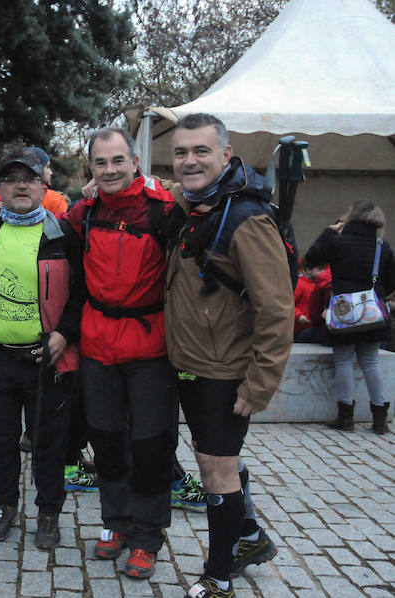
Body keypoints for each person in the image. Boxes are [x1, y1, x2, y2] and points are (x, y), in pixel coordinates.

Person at [165, 113, 293, 598]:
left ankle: (218, 577)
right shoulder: (199, 205)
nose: (190, 160)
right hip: (192, 362)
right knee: (217, 458)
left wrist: (261, 383)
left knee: (215, 470)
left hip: (224, 371)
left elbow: (277, 309)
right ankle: (250, 536)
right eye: (181, 152)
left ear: (226, 154)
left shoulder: (246, 219)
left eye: (201, 150)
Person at [64, 127, 178, 579]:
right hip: (97, 343)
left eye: (117, 161)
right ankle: (117, 523)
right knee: (107, 440)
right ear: (90, 168)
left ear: (135, 162)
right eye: (100, 163)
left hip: (151, 346)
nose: (109, 170)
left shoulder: (164, 211)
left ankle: (148, 535)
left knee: (150, 445)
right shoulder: (83, 214)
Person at [0, 145, 84, 550]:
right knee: (0, 442)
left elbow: (81, 291)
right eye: (12, 179)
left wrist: (64, 334)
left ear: (44, 184)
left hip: (45, 360)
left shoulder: (62, 232)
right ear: (0, 187)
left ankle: (49, 511)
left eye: (30, 178)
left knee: (50, 445)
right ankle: (4, 506)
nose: (21, 185)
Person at [303, 200, 395, 434]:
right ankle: (379, 420)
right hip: (372, 313)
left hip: (344, 312)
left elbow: (311, 259)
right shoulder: (381, 246)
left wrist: (328, 231)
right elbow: (393, 282)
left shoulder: (337, 241)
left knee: (343, 361)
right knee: (371, 362)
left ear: (351, 216)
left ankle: (346, 417)